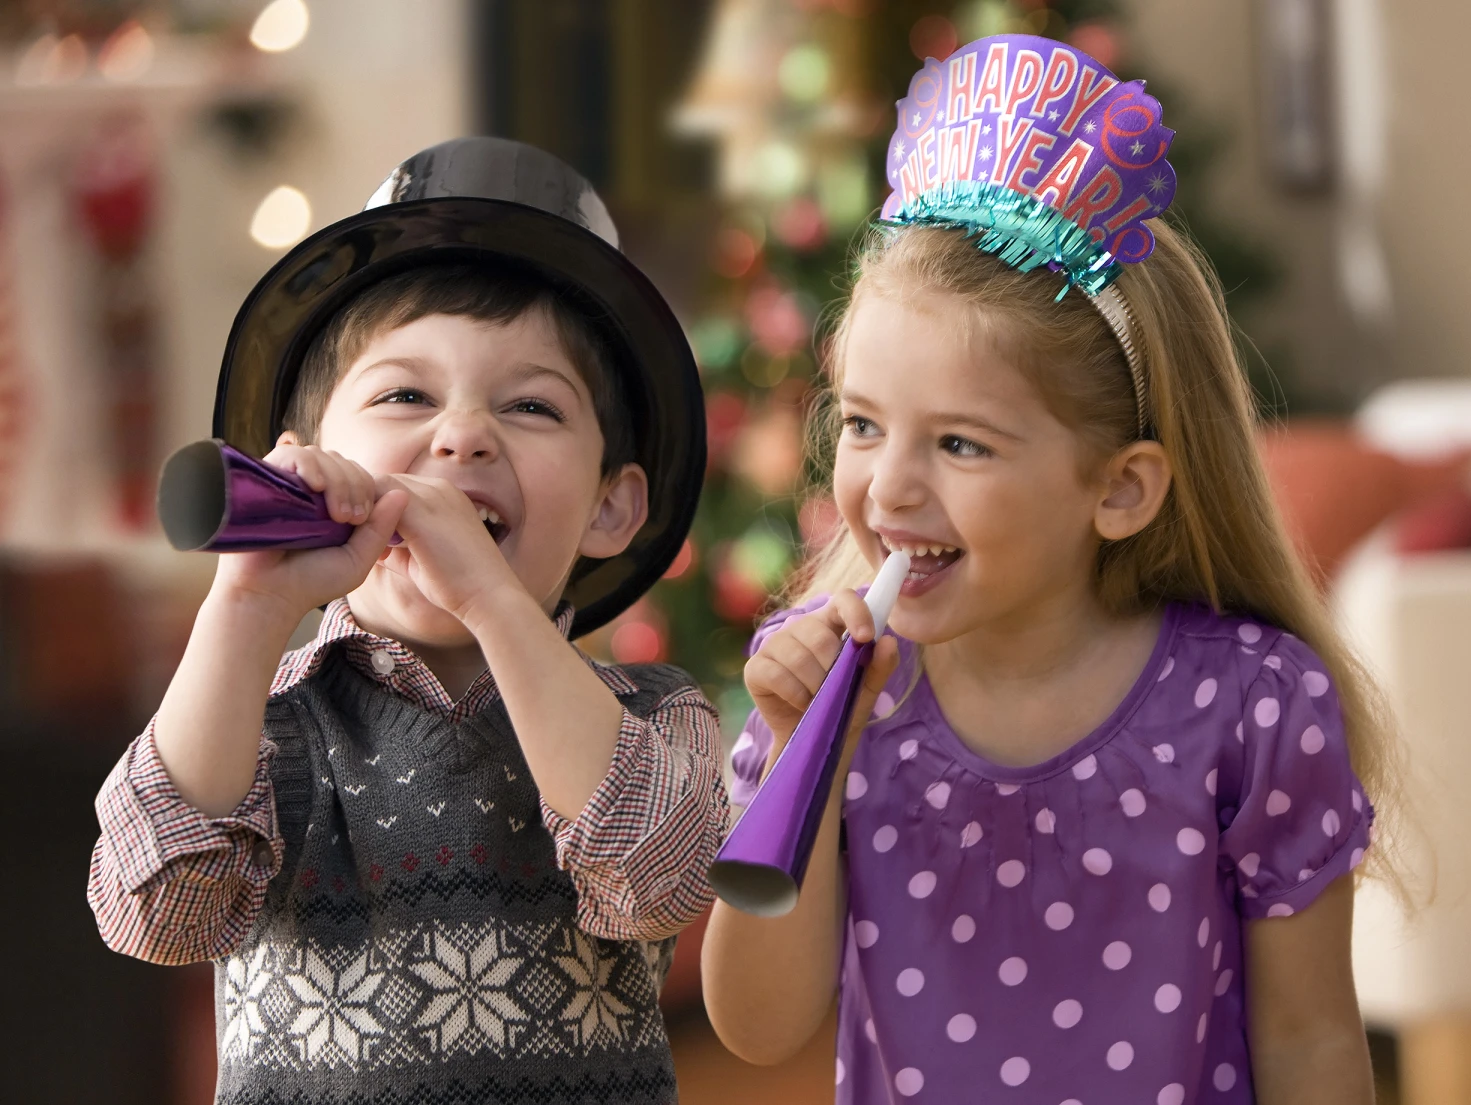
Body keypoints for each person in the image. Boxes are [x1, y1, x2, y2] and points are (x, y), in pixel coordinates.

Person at [702, 34, 1400, 1105]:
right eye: (864, 425)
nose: (888, 488)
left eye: (961, 443)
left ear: (1118, 489)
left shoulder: (1254, 709)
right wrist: (803, 759)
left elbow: (1310, 1043)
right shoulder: (825, 704)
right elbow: (756, 1030)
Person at [88, 138, 725, 1105]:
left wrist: (494, 602)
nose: (462, 432)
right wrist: (249, 605)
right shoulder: (266, 725)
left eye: (530, 405)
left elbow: (659, 877)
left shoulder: (651, 716)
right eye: (404, 395)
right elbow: (156, 911)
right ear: (301, 464)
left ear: (610, 508)